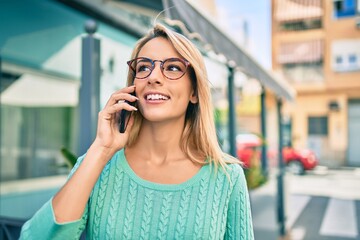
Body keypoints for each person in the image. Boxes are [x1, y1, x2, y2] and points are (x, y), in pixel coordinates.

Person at [20, 23, 254, 239]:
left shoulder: (227, 178)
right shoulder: (98, 165)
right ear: (133, 87)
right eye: (144, 68)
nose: (153, 77)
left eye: (172, 68)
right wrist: (101, 150)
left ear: (194, 92)